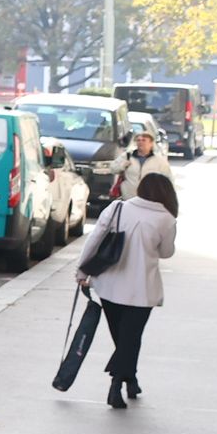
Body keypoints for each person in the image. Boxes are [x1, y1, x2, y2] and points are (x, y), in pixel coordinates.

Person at [78, 166, 178, 412]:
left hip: (109, 286)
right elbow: (166, 253)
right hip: (142, 290)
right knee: (130, 339)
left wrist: (83, 271)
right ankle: (117, 383)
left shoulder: (117, 208)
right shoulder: (166, 218)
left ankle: (129, 380)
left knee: (122, 339)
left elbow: (94, 240)